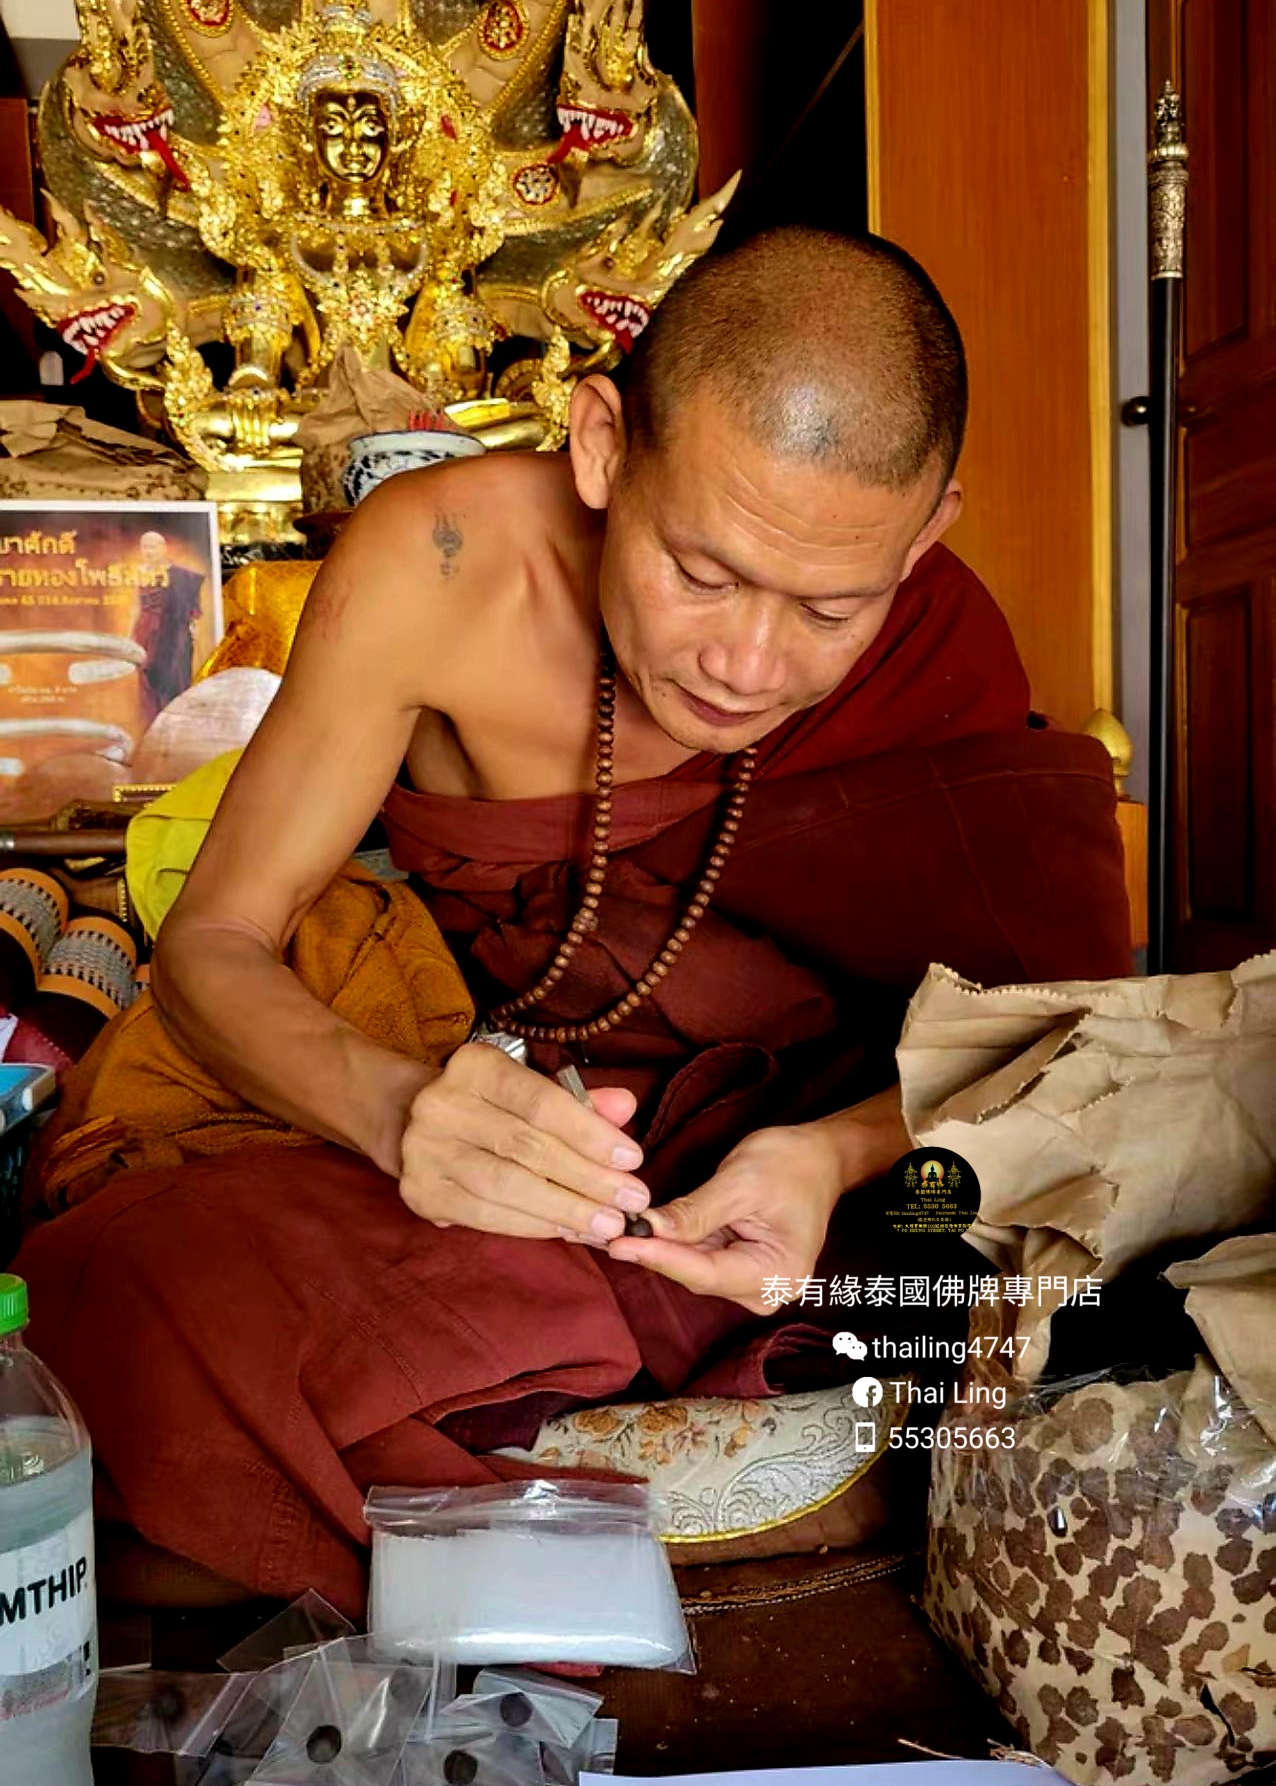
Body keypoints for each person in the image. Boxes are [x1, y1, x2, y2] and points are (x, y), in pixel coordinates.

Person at [15, 229, 1131, 1612]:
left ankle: (480, 1471)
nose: (747, 663)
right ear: (602, 445)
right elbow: (212, 943)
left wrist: (836, 1155)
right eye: (701, 573)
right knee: (132, 1294)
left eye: (831, 607)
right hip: (526, 1134)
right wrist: (402, 1114)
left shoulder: (938, 632)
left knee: (1082, 1261)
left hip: (813, 1184)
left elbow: (1073, 1041)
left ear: (924, 533)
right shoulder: (439, 565)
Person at [131, 529, 205, 724]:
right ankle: (152, 727)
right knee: (148, 682)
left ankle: (175, 726)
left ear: (163, 548)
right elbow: (137, 607)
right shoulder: (139, 573)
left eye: (152, 547)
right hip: (146, 633)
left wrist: (191, 628)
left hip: (174, 635)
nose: (148, 551)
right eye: (144, 547)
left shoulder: (181, 576)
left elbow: (190, 609)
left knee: (174, 680)